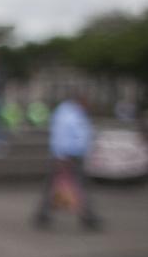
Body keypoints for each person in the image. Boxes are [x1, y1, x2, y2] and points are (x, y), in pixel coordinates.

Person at [34, 95, 101, 229]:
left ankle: (43, 214)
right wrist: (61, 156)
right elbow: (61, 136)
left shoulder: (72, 113)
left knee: (54, 185)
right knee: (78, 186)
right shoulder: (67, 114)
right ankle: (87, 216)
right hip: (68, 156)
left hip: (70, 155)